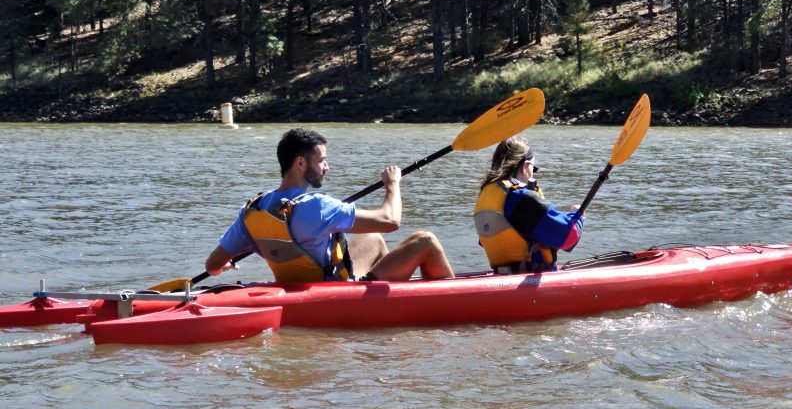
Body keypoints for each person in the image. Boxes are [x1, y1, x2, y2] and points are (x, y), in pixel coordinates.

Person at [205, 128, 454, 282]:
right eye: (322, 160)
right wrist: (392, 184)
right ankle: (445, 303)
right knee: (425, 241)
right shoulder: (318, 206)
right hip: (333, 290)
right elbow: (391, 221)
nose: (327, 167)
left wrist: (227, 264)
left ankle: (390, 298)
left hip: (297, 285)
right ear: (300, 164)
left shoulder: (255, 208)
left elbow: (212, 266)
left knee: (373, 238)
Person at [474, 136, 585, 273]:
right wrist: (578, 216)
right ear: (525, 167)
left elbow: (486, 241)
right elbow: (569, 237)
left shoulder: (486, 194)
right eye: (534, 168)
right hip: (527, 279)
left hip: (501, 275)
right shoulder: (520, 197)